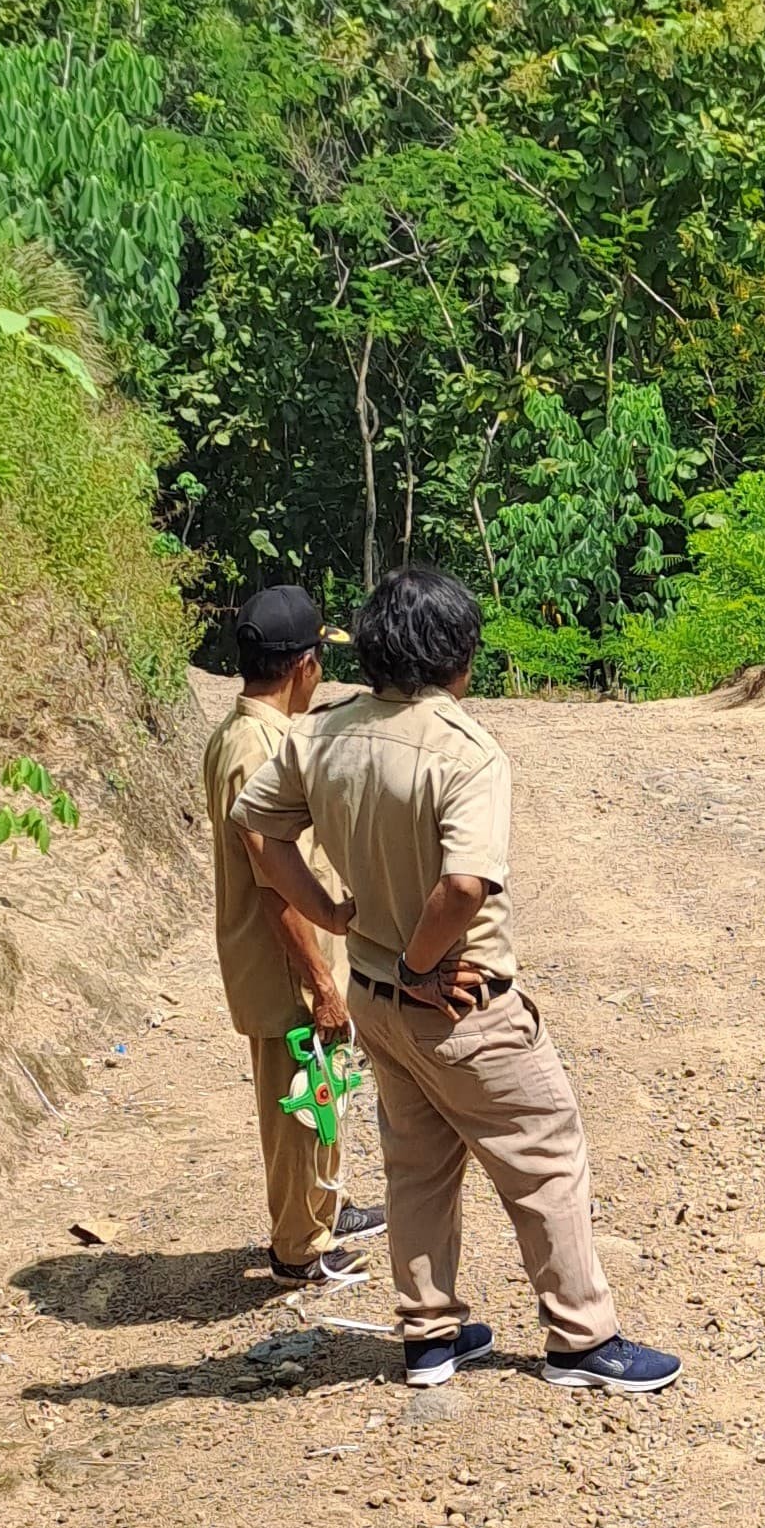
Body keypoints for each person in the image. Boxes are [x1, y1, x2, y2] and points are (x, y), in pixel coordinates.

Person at [234, 566, 679, 1397]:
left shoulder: (321, 736)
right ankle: (582, 1341)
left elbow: (256, 828)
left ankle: (430, 1336)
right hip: (458, 1000)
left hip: (373, 996)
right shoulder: (464, 750)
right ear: (457, 656)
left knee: (418, 1166)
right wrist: (422, 963)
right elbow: (465, 886)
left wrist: (332, 913)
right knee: (545, 1157)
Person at [200, 582, 386, 1292]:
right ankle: (297, 1249)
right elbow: (270, 877)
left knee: (323, 1089)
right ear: (305, 664)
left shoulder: (252, 732)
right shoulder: (254, 748)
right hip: (282, 958)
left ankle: (323, 1208)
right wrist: (318, 979)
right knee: (295, 1104)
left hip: (297, 952)